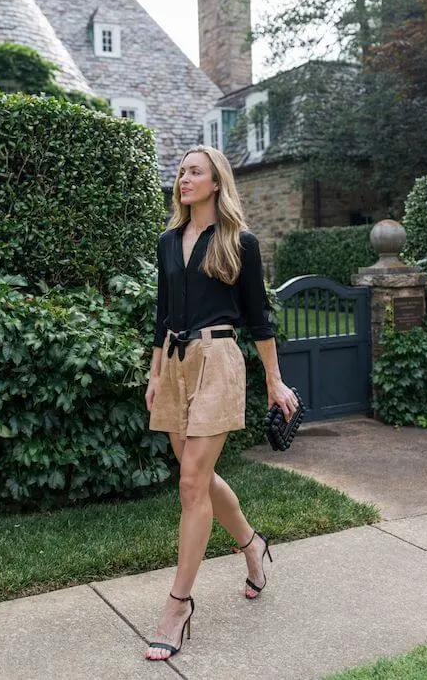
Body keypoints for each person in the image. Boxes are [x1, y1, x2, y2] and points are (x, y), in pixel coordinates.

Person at [144, 145, 298, 661]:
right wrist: (154, 372)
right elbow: (162, 312)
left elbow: (260, 318)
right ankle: (252, 545)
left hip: (219, 358)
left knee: (191, 481)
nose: (183, 179)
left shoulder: (239, 242)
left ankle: (178, 605)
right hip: (175, 360)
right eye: (181, 172)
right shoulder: (168, 241)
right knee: (199, 476)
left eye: (194, 172)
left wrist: (275, 383)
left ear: (215, 183)